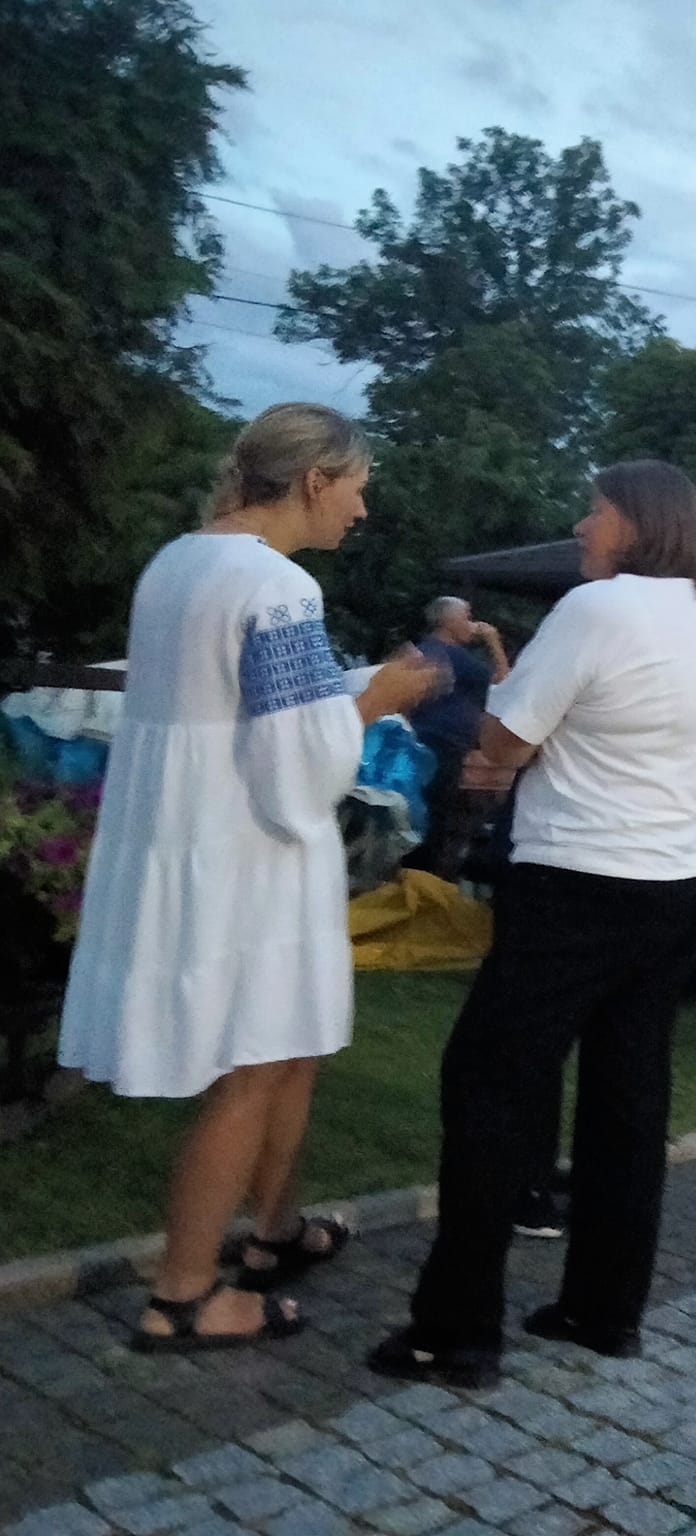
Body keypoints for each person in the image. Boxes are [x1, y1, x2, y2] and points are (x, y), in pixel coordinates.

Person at [60, 404, 442, 1350]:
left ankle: (273, 1232)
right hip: (246, 862)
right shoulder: (278, 588)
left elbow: (241, 706)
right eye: (357, 488)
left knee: (289, 1048)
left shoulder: (179, 562)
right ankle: (184, 1297)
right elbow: (296, 763)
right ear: (315, 480)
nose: (361, 510)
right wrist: (380, 700)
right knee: (254, 1064)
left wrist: (347, 691)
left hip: (189, 840)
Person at [370, 460, 696, 1387]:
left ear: (640, 524)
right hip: (683, 883)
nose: (582, 525)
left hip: (581, 880)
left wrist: (505, 745)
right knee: (630, 1092)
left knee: (490, 1082)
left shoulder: (598, 610)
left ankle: (456, 1331)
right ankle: (604, 1310)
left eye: (597, 510)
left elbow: (504, 739)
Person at [404, 596, 511, 879]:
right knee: (438, 817)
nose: (473, 625)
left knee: (432, 814)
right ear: (449, 621)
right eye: (467, 617)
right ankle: (423, 878)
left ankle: (419, 875)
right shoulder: (447, 654)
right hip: (441, 746)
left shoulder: (430, 651)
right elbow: (505, 683)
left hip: (433, 744)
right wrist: (493, 640)